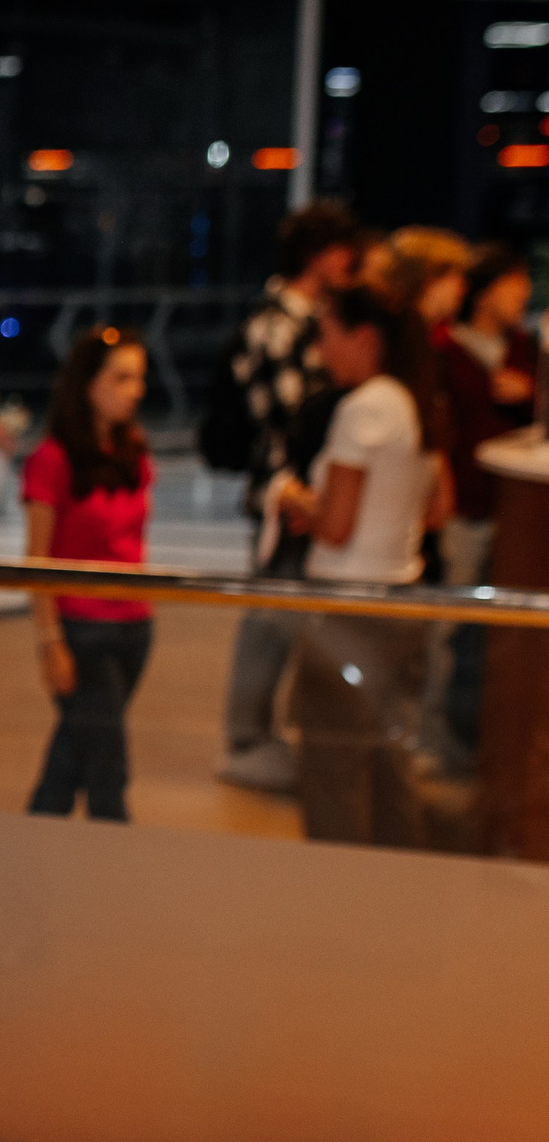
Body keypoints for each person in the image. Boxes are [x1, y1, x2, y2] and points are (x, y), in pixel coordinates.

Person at [275, 287, 447, 845]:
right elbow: (438, 510)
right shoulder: (416, 400)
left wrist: (296, 500)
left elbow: (337, 527)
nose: (321, 350)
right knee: (390, 761)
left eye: (328, 335)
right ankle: (395, 884)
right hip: (403, 599)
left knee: (334, 771)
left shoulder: (364, 407)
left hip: (347, 609)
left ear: (365, 338)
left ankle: (337, 890)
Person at [204, 201, 358, 793]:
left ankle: (258, 736)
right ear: (320, 256)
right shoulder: (276, 326)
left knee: (282, 614)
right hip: (285, 496)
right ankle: (245, 739)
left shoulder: (304, 322)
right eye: (343, 254)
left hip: (302, 495)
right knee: (270, 616)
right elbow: (288, 420)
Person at [24, 328, 155, 823]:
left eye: (139, 378)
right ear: (87, 383)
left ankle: (32, 842)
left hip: (134, 626)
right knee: (107, 766)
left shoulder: (133, 452)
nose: (135, 390)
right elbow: (37, 559)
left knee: (74, 753)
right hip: (83, 630)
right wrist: (49, 640)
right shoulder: (52, 460)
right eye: (121, 378)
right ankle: (114, 856)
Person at [434, 243, 535, 585]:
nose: (524, 292)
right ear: (485, 291)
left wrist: (530, 394)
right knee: (454, 597)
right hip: (462, 505)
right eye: (515, 281)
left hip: (515, 506)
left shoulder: (526, 349)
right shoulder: (445, 347)